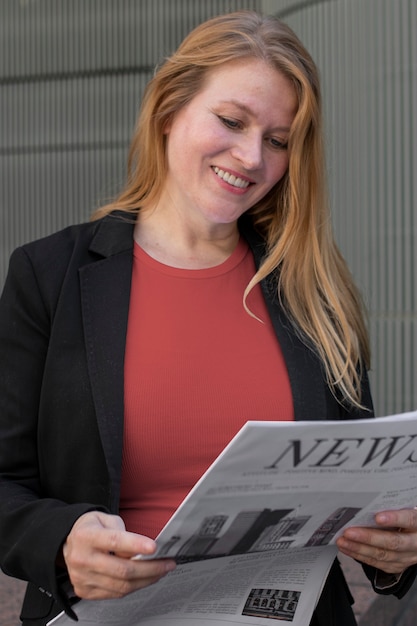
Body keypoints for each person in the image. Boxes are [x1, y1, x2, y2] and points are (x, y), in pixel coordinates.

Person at [0, 10, 416, 626]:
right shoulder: (48, 275)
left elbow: (362, 489)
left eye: (278, 140)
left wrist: (397, 547)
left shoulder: (312, 290)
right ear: (169, 109)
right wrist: (60, 541)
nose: (250, 157)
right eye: (231, 120)